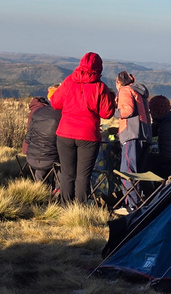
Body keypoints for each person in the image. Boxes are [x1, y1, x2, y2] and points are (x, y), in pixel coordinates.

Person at [50, 53, 116, 204]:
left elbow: (55, 103)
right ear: (99, 68)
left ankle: (65, 207)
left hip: (65, 133)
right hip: (88, 135)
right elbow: (107, 113)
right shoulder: (100, 87)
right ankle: (80, 208)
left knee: (67, 174)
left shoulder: (68, 81)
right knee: (83, 176)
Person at [116, 71, 151, 209]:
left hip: (131, 134)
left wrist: (114, 111)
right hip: (144, 134)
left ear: (119, 82)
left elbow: (128, 110)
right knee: (138, 172)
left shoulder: (125, 90)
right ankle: (136, 202)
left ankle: (131, 205)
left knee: (128, 172)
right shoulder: (140, 92)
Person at [22, 85, 61, 182]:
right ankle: (58, 191)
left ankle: (39, 189)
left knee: (43, 159)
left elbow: (28, 138)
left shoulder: (37, 112)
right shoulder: (62, 114)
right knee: (66, 161)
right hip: (50, 160)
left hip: (31, 157)